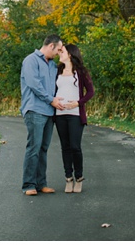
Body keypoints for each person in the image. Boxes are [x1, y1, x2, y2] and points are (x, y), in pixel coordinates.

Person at [20, 34, 66, 196]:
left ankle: (41, 183)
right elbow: (34, 84)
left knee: (43, 148)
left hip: (49, 111)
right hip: (35, 110)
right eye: (58, 50)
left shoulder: (53, 66)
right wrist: (51, 100)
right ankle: (28, 185)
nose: (58, 53)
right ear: (51, 46)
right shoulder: (31, 60)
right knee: (34, 147)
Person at [54, 43, 95, 193]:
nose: (60, 54)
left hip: (75, 115)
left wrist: (78, 103)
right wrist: (54, 100)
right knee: (65, 147)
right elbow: (53, 90)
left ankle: (79, 177)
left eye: (62, 51)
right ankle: (68, 178)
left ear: (70, 54)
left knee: (75, 147)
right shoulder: (57, 70)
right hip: (59, 115)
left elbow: (90, 92)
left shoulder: (81, 72)